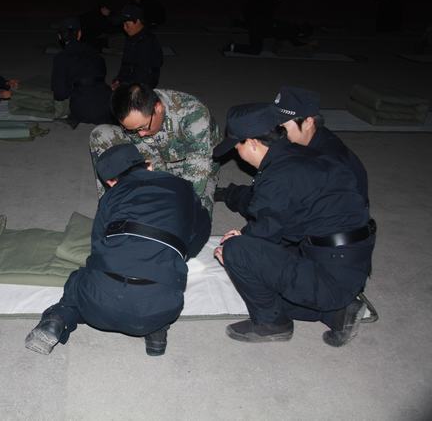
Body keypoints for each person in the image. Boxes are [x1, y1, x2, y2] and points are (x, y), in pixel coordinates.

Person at [212, 103, 375, 347]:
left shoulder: (278, 177)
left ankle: (271, 323)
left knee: (237, 253)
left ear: (253, 143)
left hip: (333, 272)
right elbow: (281, 222)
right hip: (350, 262)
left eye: (237, 146)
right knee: (263, 260)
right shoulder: (301, 154)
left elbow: (259, 238)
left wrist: (235, 245)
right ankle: (339, 312)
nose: (236, 152)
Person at [25, 144, 210, 356]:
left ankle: (57, 319)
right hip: (160, 308)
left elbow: (97, 249)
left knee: (79, 279)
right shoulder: (183, 188)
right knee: (158, 290)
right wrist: (178, 254)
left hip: (98, 306)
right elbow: (202, 229)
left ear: (111, 182)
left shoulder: (110, 197)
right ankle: (156, 331)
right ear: (148, 166)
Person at [215, 86, 369, 218]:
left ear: (308, 122)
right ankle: (232, 194)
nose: (274, 128)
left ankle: (234, 195)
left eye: (282, 124)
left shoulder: (327, 159)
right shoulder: (309, 138)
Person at [90, 83, 220, 217]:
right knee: (100, 135)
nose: (140, 134)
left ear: (158, 108)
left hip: (193, 170)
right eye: (132, 130)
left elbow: (197, 175)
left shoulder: (194, 115)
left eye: (143, 127)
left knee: (192, 219)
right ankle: (112, 203)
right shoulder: (137, 116)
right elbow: (145, 151)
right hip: (154, 159)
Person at [51, 17, 115, 127]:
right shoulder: (94, 52)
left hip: (83, 109)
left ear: (60, 36)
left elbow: (60, 94)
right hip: (107, 105)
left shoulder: (61, 58)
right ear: (79, 34)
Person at [111, 4, 163, 90]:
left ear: (138, 21)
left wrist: (125, 85)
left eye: (127, 24)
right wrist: (119, 79)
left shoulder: (148, 41)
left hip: (144, 82)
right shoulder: (131, 38)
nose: (124, 27)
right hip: (132, 78)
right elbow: (126, 63)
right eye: (123, 24)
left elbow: (144, 73)